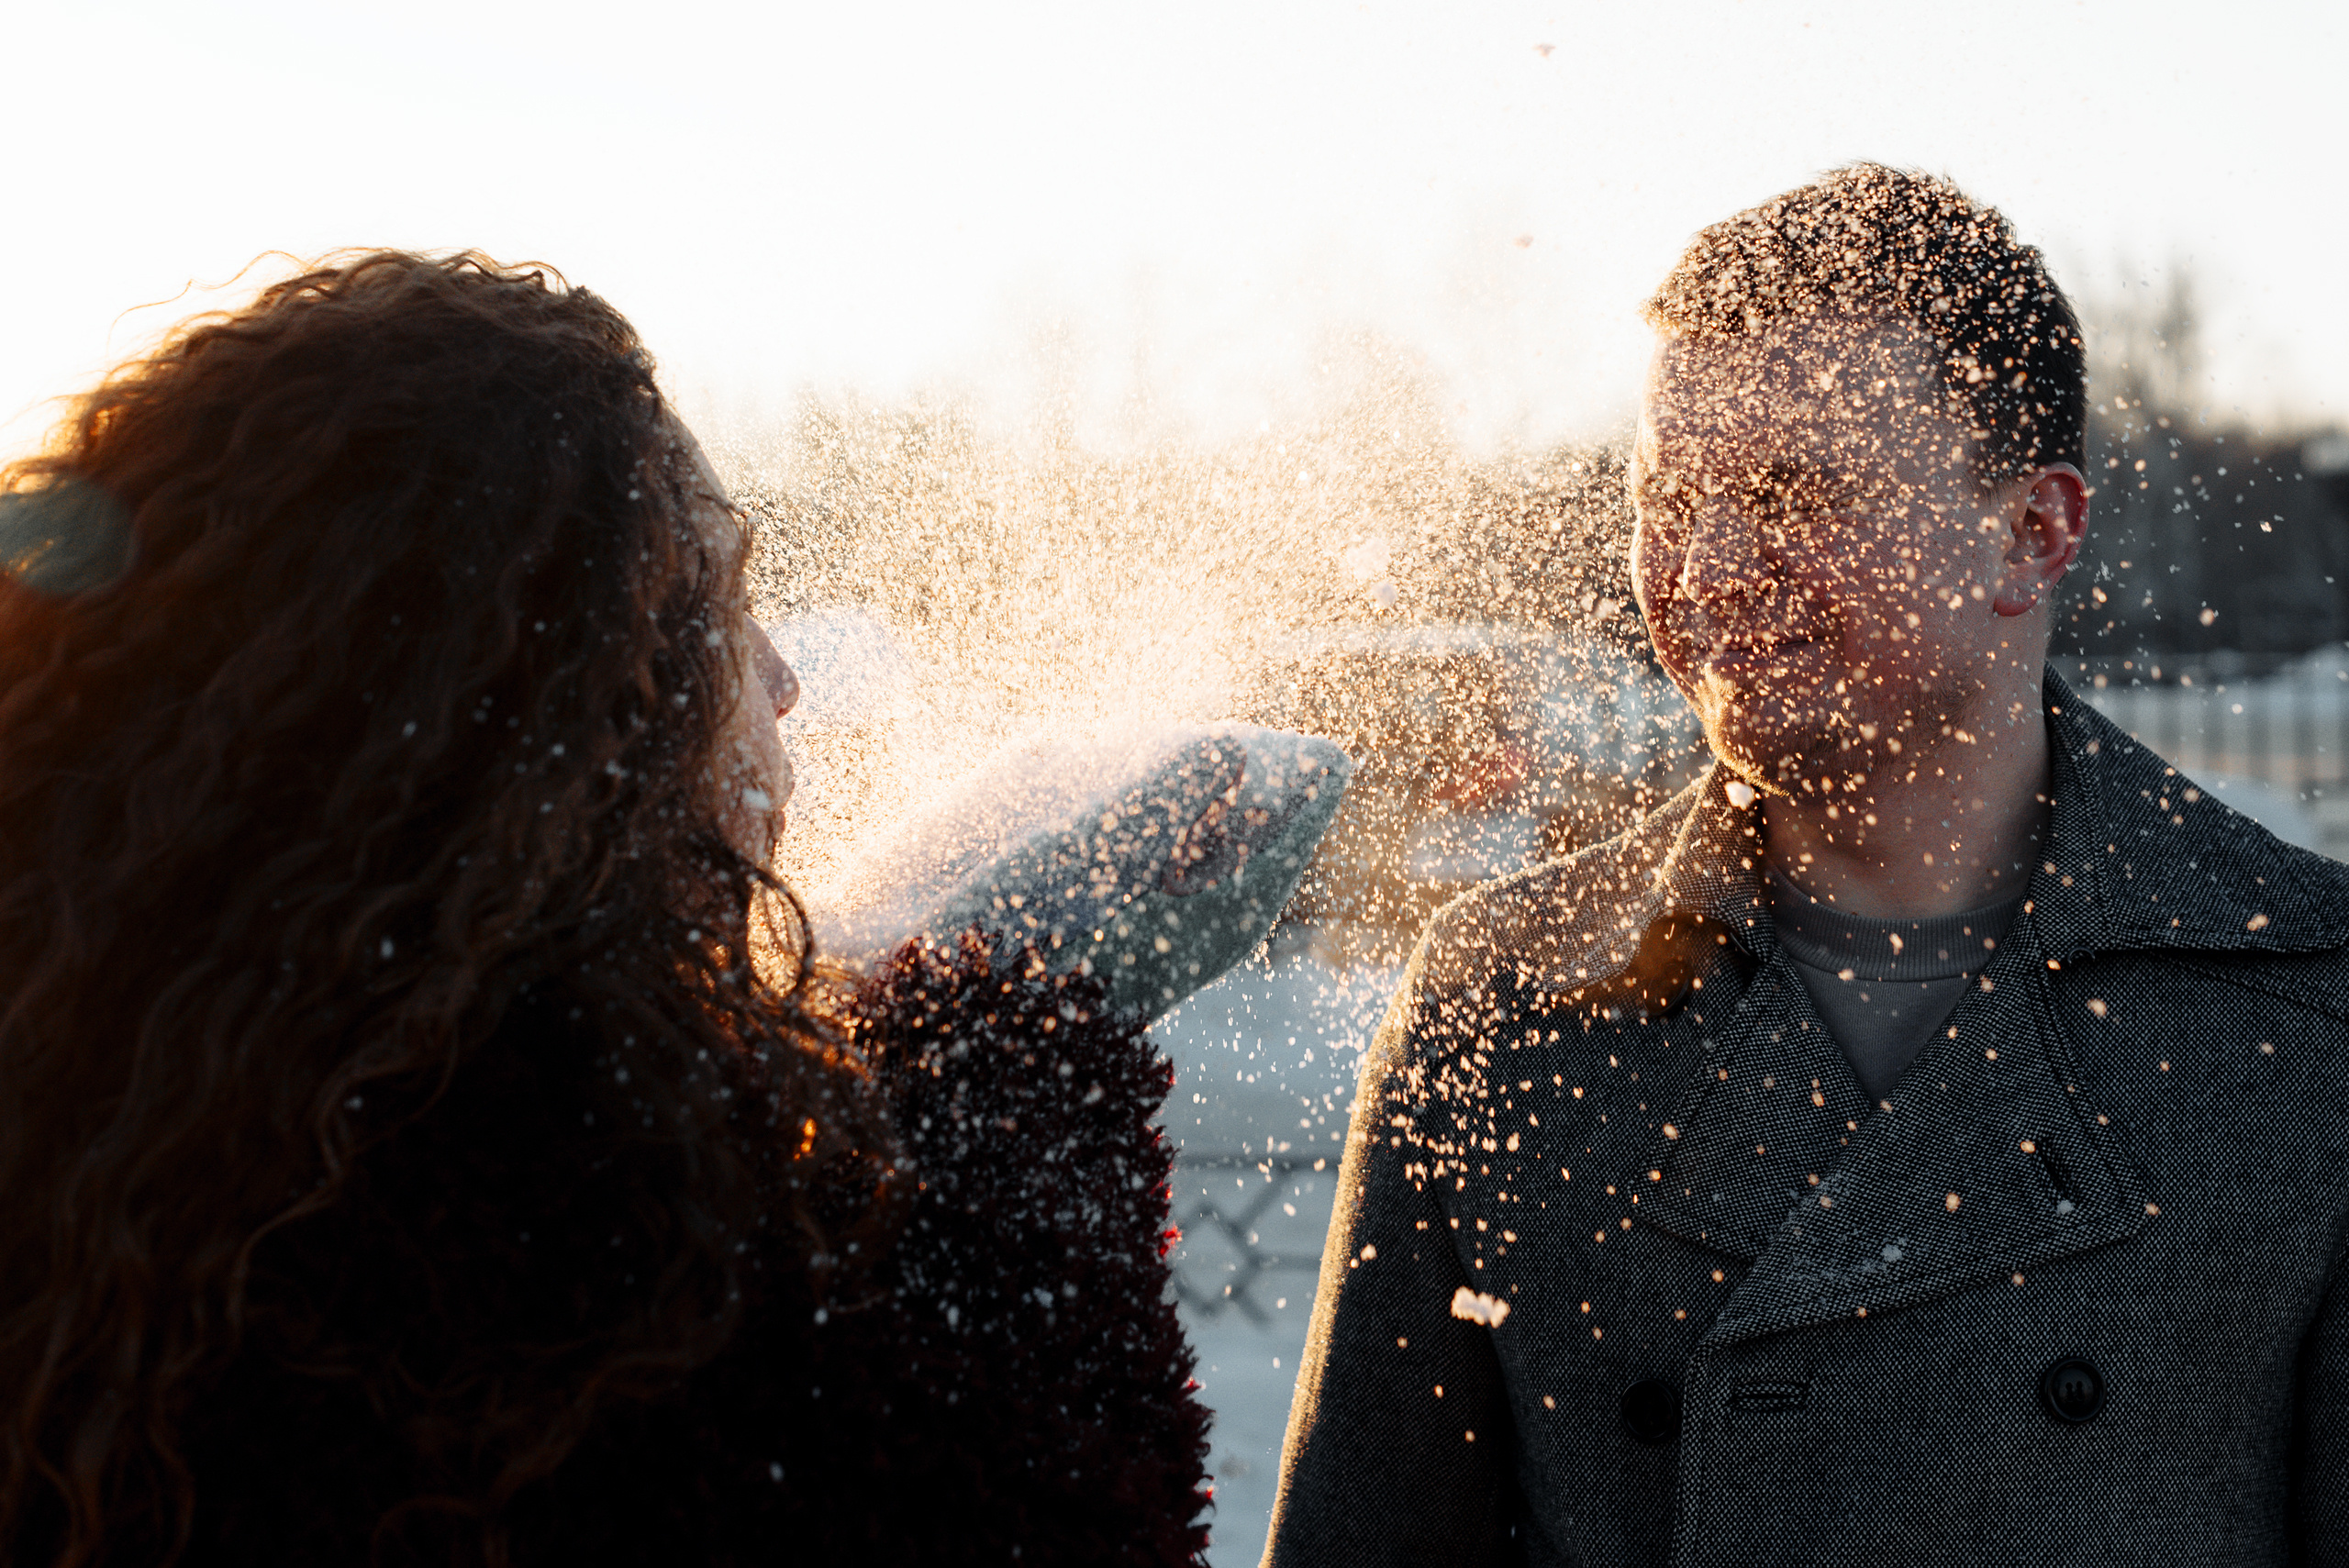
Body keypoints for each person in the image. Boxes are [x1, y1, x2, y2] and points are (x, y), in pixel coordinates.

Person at [0, 251, 1212, 1564]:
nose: (784, 677)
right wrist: (1018, 1097)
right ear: (570, 723)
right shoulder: (653, 1273)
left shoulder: (110, 1187)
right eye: (723, 606)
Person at [1267, 163, 2349, 1564]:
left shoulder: (2307, 1018)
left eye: (1794, 493)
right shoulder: (1502, 999)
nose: (1708, 563)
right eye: (1670, 498)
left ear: (2035, 533)